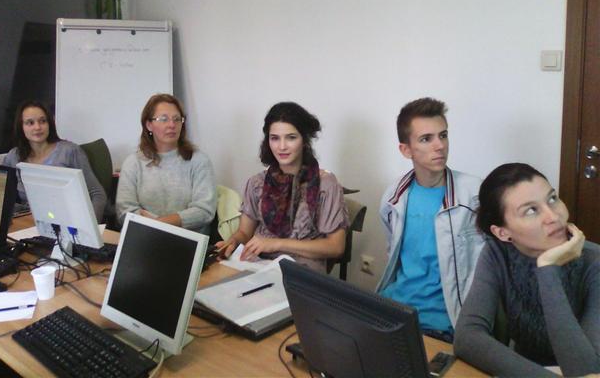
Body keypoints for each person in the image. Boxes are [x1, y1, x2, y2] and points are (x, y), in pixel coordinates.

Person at [454, 163, 600, 377]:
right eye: (531, 210)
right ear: (502, 233)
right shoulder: (498, 252)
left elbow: (586, 371)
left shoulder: (594, 261)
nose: (553, 216)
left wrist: (548, 269)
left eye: (552, 198)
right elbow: (467, 337)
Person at [375, 97, 483, 342]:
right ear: (406, 150)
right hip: (395, 312)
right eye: (426, 139)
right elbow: (394, 256)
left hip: (445, 323)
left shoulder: (474, 194)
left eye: (443, 135)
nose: (440, 146)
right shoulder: (393, 197)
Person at [216, 102, 349, 273]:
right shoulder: (257, 183)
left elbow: (336, 247)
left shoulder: (326, 184)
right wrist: (233, 241)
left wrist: (277, 244)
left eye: (291, 137)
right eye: (275, 138)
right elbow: (244, 232)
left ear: (304, 140)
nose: (282, 146)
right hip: (257, 266)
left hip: (301, 273)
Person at [115, 93, 217, 234]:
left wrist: (161, 224)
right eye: (163, 119)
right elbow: (124, 210)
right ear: (149, 125)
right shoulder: (133, 163)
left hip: (188, 238)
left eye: (177, 119)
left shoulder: (199, 161)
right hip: (145, 236)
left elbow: (204, 211)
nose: (171, 125)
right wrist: (154, 227)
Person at [3, 100, 107, 223]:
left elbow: (97, 194)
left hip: (68, 221)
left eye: (43, 121)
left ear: (50, 124)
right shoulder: (13, 156)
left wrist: (90, 227)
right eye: (30, 123)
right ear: (21, 127)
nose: (37, 127)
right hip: (29, 222)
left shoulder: (69, 151)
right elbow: (3, 195)